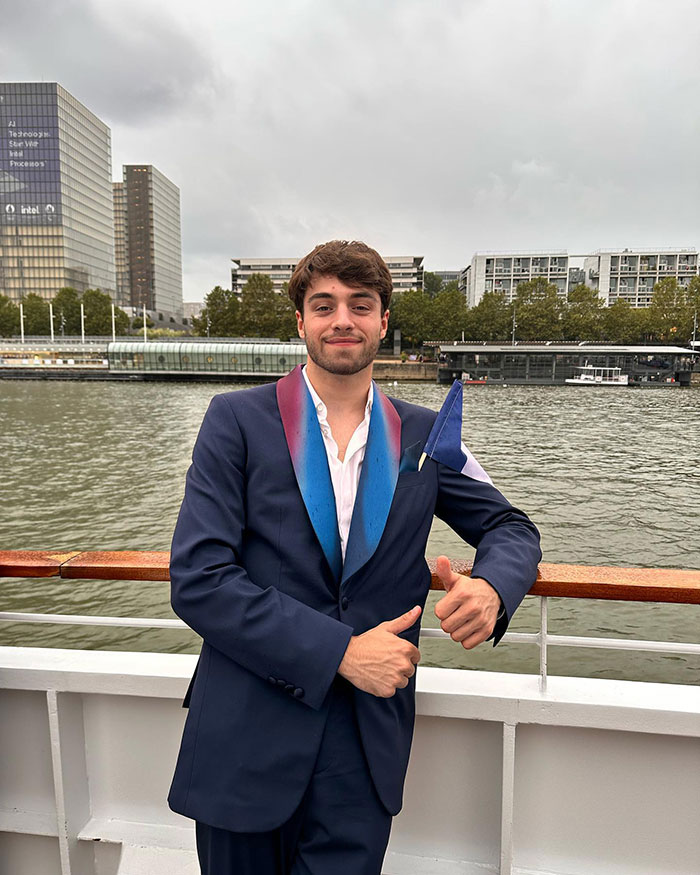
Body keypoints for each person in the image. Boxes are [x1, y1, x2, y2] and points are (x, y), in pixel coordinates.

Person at [167, 240, 541, 874]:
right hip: (247, 728)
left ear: (383, 321)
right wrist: (339, 651)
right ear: (301, 322)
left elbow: (510, 525)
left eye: (360, 305)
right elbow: (199, 579)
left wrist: (494, 588)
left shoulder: (426, 436)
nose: (343, 319)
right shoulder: (234, 420)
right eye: (324, 305)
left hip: (362, 748)